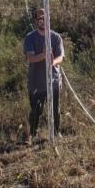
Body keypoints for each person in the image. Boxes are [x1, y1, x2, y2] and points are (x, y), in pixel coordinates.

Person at [23, 8, 64, 141]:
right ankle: (32, 135)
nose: (44, 21)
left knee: (55, 110)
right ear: (36, 21)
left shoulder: (56, 37)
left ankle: (56, 133)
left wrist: (52, 63)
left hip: (54, 80)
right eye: (41, 19)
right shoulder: (30, 37)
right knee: (36, 110)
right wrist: (44, 54)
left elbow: (60, 57)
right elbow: (31, 58)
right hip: (36, 82)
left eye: (46, 18)